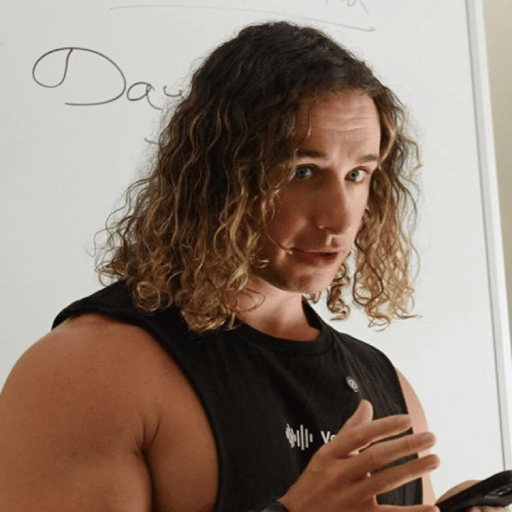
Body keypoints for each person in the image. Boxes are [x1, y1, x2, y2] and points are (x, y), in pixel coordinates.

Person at [0, 21, 488, 512]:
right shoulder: (88, 370)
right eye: (303, 171)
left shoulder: (388, 386)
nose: (339, 217)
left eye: (358, 174)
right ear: (221, 177)